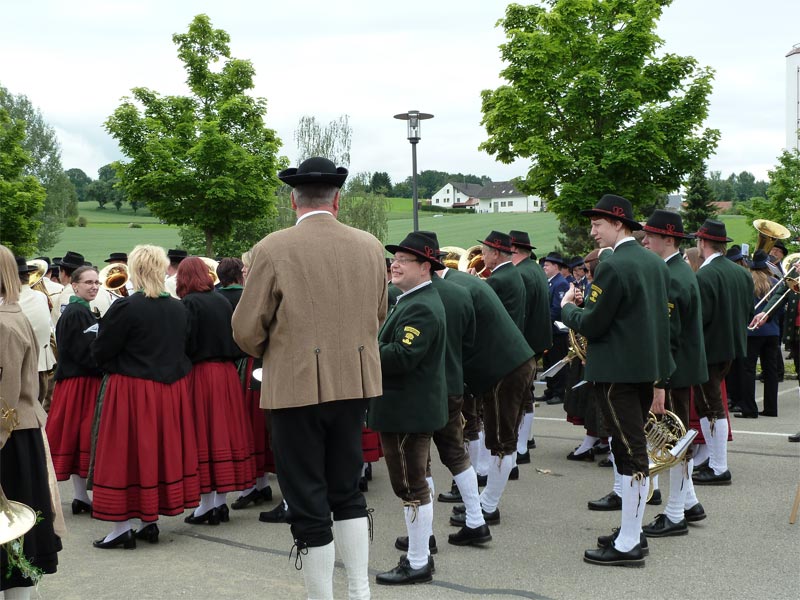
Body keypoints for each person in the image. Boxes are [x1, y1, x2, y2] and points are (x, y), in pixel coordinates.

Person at [232, 157, 386, 600]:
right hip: (353, 383)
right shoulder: (371, 245)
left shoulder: (272, 248)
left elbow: (246, 330)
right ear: (337, 200)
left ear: (292, 200)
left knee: (306, 498)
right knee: (347, 490)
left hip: (294, 387)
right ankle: (359, 590)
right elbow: (378, 315)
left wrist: (280, 349)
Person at [560, 194, 673, 567]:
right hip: (641, 369)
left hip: (615, 372)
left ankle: (629, 542)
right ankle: (631, 531)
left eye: (598, 224)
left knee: (629, 454)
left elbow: (594, 323)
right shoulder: (653, 262)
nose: (593, 231)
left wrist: (568, 309)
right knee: (629, 451)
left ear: (618, 223)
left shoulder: (613, 265)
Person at [90, 244, 200, 549]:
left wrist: (119, 366)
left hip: (131, 388)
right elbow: (186, 348)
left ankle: (121, 527)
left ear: (135, 270)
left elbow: (102, 350)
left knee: (123, 453)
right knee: (155, 452)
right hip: (170, 391)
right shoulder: (179, 308)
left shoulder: (126, 307)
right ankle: (149, 522)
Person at [369, 232, 448, 585]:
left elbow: (403, 356)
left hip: (407, 409)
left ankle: (417, 561)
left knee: (410, 487)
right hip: (407, 407)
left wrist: (364, 346)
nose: (395, 265)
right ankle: (419, 553)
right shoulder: (412, 300)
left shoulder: (421, 305)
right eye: (395, 259)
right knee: (414, 483)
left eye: (404, 260)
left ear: (425, 266)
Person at [640, 210, 709, 537]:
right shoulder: (677, 270)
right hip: (680, 370)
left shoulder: (671, 277)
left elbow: (668, 337)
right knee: (675, 442)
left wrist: (659, 384)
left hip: (673, 373)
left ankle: (675, 514)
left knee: (674, 445)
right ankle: (690, 503)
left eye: (650, 236)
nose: (644, 241)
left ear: (668, 239)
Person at [0, 244, 63, 599]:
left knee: (13, 532)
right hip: (17, 436)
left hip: (8, 438)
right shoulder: (12, 313)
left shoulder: (4, 322)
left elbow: (4, 398)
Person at [177, 257, 256, 525]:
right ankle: (219, 504)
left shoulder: (189, 303)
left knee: (204, 436)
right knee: (222, 434)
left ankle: (206, 505)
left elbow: (186, 343)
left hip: (201, 373)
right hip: (227, 374)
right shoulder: (221, 300)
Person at [690, 219, 754, 486]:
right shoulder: (741, 273)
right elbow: (748, 311)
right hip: (731, 347)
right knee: (709, 405)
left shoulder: (704, 275)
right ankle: (714, 461)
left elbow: (698, 319)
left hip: (708, 349)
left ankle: (718, 466)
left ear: (703, 242)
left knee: (711, 407)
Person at [45, 265, 103, 515]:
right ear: (75, 285)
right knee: (83, 436)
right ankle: (82, 496)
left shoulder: (80, 310)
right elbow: (85, 352)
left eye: (97, 282)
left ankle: (81, 497)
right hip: (81, 382)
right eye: (88, 282)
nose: (94, 286)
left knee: (79, 437)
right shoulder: (77, 312)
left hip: (77, 381)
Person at [509, 230, 552, 464]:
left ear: (514, 250)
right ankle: (526, 440)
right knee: (527, 393)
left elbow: (520, 313)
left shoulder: (520, 273)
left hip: (524, 343)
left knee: (520, 397)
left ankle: (521, 447)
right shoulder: (535, 269)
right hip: (535, 341)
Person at [735, 250, 782, 418]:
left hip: (751, 332)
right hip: (772, 331)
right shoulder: (776, 282)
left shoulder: (747, 281)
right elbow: (780, 309)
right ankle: (771, 408)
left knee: (748, 370)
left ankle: (749, 409)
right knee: (771, 370)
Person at [537, 251, 570, 405]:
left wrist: (542, 320)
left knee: (558, 363)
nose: (544, 267)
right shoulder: (550, 282)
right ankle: (550, 391)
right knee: (549, 362)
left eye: (547, 265)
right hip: (550, 330)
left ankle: (559, 392)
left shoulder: (560, 283)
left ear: (556, 266)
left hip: (557, 331)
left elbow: (557, 309)